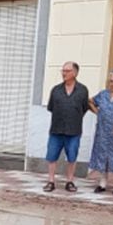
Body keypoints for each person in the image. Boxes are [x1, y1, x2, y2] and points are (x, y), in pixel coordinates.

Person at [44, 61, 89, 193]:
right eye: (63, 70)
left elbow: (84, 108)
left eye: (67, 71)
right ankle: (51, 181)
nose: (64, 73)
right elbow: (51, 107)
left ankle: (70, 181)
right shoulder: (56, 89)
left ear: (75, 73)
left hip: (74, 130)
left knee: (72, 156)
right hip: (56, 129)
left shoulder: (82, 90)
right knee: (52, 156)